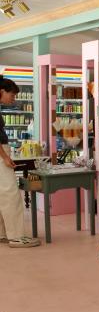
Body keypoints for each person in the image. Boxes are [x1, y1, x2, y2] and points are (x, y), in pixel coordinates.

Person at [0, 76, 40, 248]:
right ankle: (16, 237)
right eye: (12, 95)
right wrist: (5, 157)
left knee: (2, 196)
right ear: (2, 92)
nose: (13, 98)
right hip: (1, 155)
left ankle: (3, 234)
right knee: (11, 195)